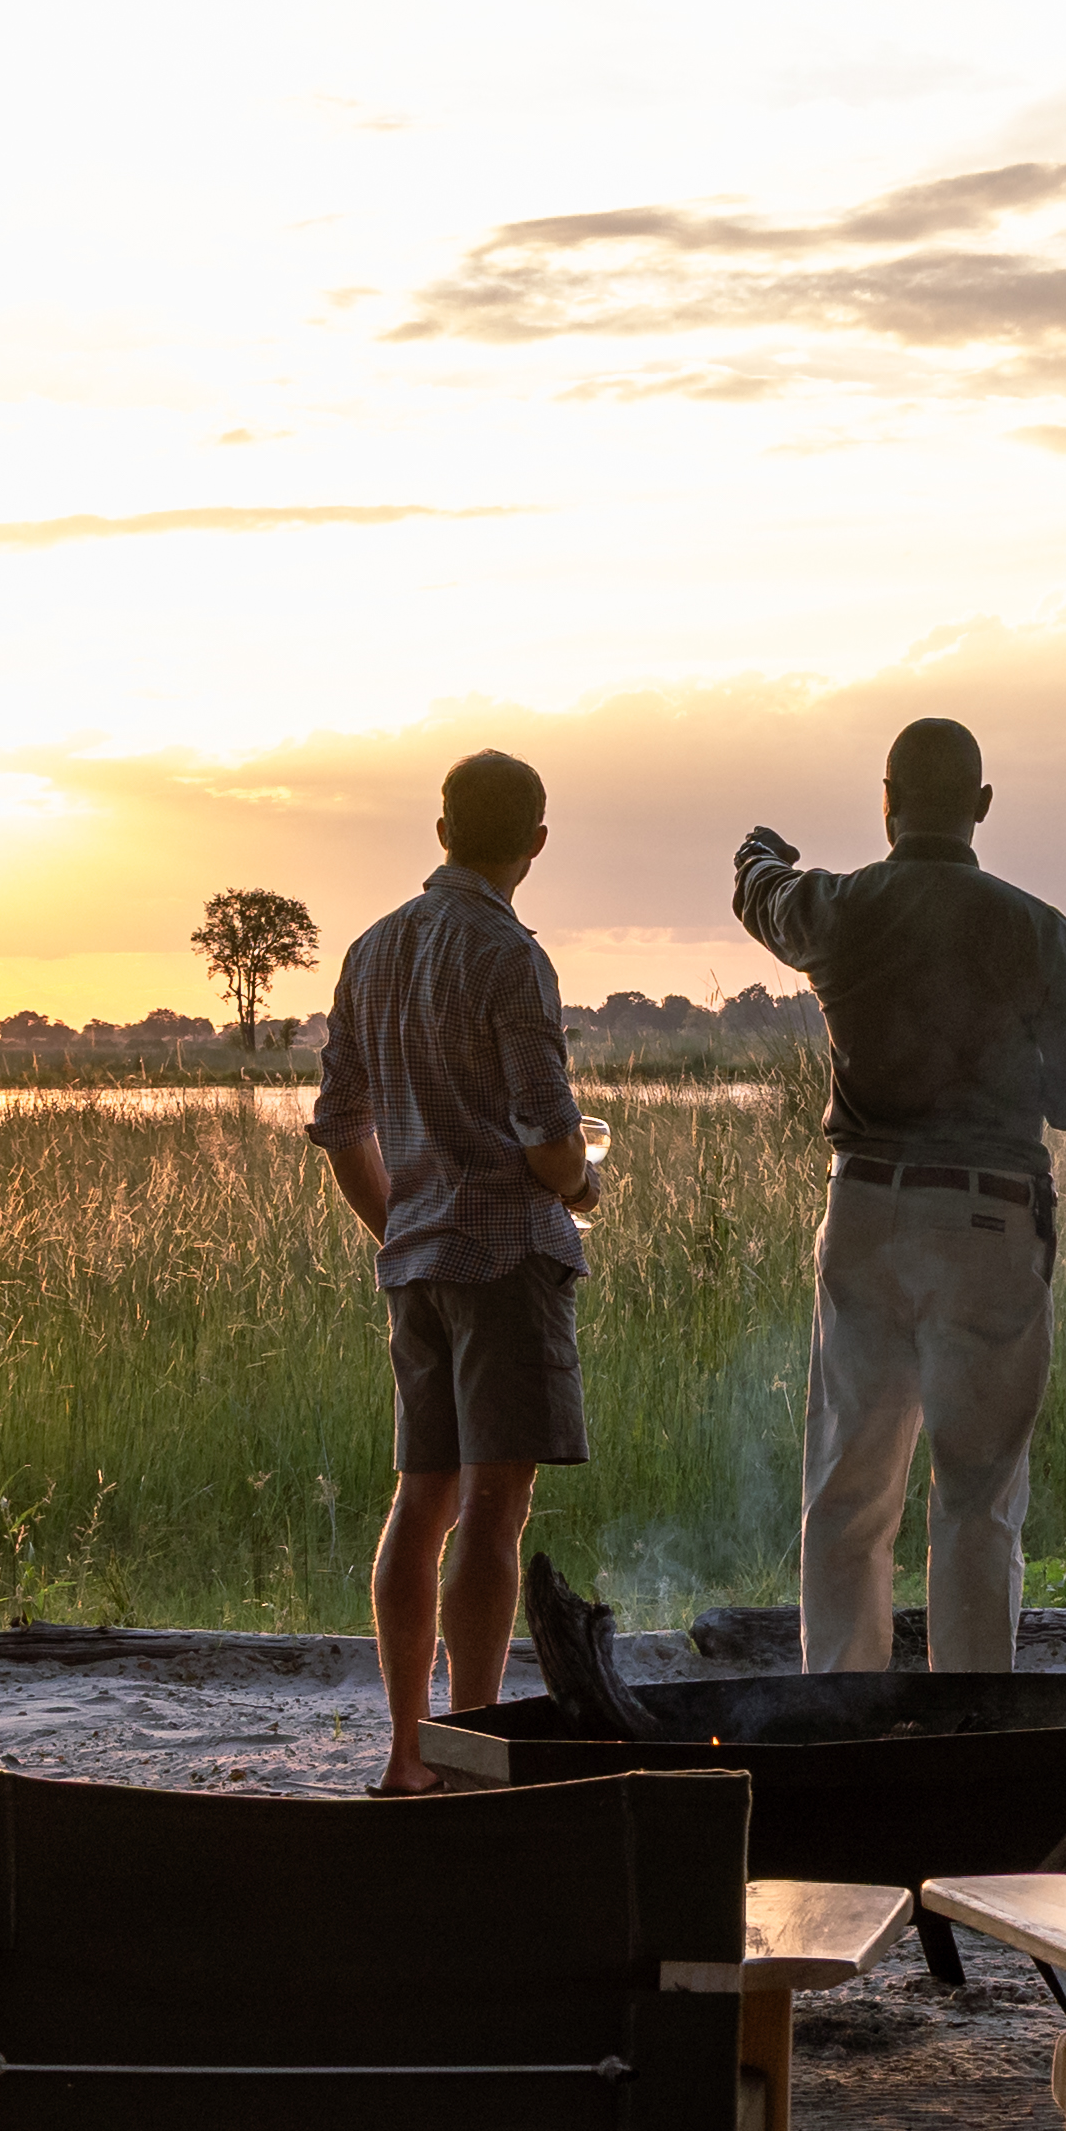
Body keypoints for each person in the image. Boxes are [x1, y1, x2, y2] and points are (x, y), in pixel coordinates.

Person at [728, 713, 1066, 1673]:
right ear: (983, 807)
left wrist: (755, 855)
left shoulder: (841, 910)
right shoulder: (1036, 929)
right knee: (979, 1497)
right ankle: (976, 1718)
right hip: (992, 1216)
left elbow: (766, 897)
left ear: (887, 802)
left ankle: (843, 1712)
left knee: (847, 1490)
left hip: (866, 1206)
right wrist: (1007, 1077)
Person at [306, 748, 600, 1792]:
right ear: (535, 841)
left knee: (417, 1500)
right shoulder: (511, 956)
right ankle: (473, 1751)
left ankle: (404, 1753)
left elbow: (339, 1125)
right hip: (507, 1260)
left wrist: (400, 1228)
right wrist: (582, 1186)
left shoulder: (370, 949)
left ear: (439, 833)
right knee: (493, 1506)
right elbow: (545, 1132)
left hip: (419, 1262)